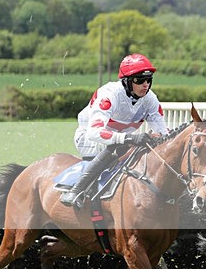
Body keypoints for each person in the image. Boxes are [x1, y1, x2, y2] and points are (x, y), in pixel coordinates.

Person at [60, 53, 168, 209]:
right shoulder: (109, 95)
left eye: (148, 80)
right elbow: (94, 132)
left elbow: (162, 132)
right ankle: (76, 190)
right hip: (89, 140)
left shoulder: (150, 99)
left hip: (121, 140)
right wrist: (129, 138)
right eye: (139, 80)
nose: (145, 85)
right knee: (118, 146)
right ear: (127, 81)